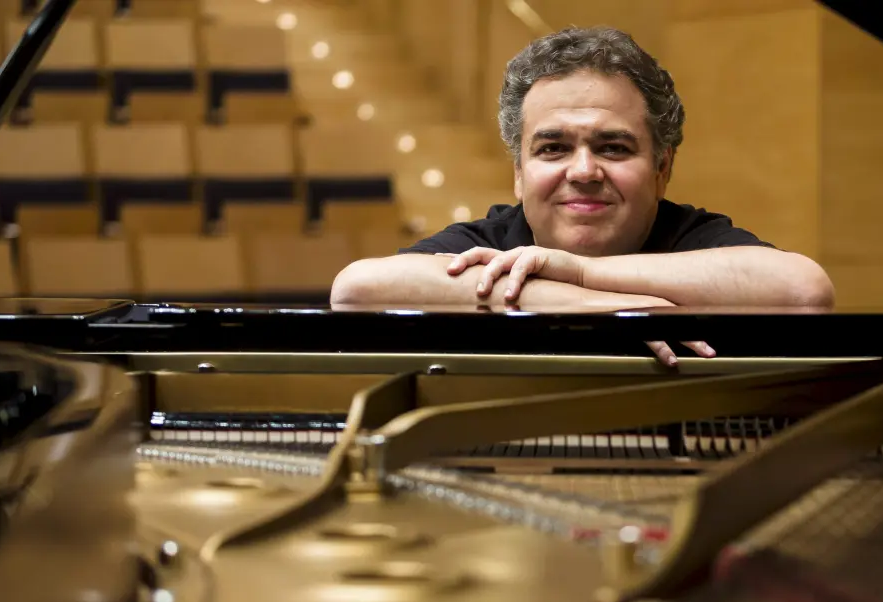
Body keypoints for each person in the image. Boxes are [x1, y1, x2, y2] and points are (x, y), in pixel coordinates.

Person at [330, 26, 834, 365]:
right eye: (553, 148)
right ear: (519, 173)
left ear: (662, 168)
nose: (584, 171)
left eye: (613, 147)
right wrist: (584, 304)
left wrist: (578, 271)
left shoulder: (690, 236)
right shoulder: (490, 240)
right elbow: (356, 292)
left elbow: (804, 293)